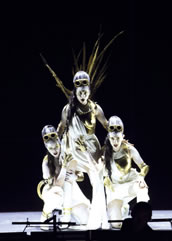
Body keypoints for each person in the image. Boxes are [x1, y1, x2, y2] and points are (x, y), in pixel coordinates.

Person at [57, 71, 109, 229]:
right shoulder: (68, 109)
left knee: (97, 182)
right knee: (67, 178)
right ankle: (66, 215)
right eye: (79, 91)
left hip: (91, 150)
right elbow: (61, 126)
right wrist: (56, 146)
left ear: (89, 90)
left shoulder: (95, 108)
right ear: (75, 91)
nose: (82, 94)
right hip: (73, 149)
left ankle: (99, 217)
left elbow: (107, 126)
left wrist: (114, 143)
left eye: (85, 91)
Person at [37, 125, 90, 230]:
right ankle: (45, 216)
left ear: (59, 142)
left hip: (71, 193)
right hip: (54, 192)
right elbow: (58, 184)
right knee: (58, 191)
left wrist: (75, 176)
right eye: (50, 148)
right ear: (46, 147)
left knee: (86, 220)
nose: (55, 150)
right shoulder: (46, 161)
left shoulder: (68, 155)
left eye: (56, 146)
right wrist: (64, 167)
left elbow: (81, 176)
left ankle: (66, 214)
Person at [103, 116, 150, 229]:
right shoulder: (104, 151)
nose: (115, 141)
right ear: (109, 137)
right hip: (115, 190)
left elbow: (144, 166)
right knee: (116, 224)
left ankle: (142, 217)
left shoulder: (129, 149)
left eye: (118, 138)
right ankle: (123, 208)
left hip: (130, 184)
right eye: (112, 139)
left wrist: (141, 177)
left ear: (122, 136)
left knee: (142, 188)